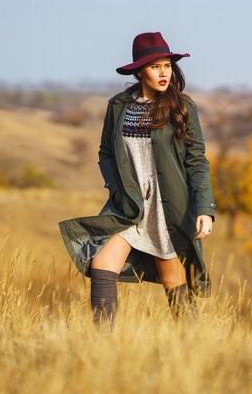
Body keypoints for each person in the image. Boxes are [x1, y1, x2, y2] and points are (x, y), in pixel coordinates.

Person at [58, 32, 216, 327]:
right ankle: (103, 345)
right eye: (156, 66)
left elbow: (197, 161)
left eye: (167, 65)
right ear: (140, 70)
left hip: (167, 207)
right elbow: (105, 152)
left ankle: (193, 343)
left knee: (173, 279)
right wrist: (117, 189)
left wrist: (205, 208)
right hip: (129, 207)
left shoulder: (182, 107)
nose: (163, 73)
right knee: (101, 264)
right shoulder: (119, 106)